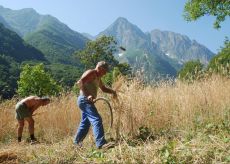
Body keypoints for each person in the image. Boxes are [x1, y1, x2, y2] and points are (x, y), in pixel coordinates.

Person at [74, 61, 117, 149]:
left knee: (85, 123)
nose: (105, 74)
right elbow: (80, 83)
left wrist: (112, 91)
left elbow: (103, 88)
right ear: (100, 68)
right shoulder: (92, 73)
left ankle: (77, 143)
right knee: (97, 119)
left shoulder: (98, 77)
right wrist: (88, 95)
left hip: (86, 101)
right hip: (84, 99)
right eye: (104, 71)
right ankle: (101, 144)